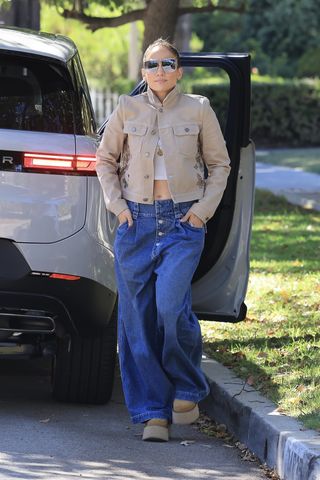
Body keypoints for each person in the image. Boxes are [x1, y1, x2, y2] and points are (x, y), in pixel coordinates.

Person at [96, 38, 231, 442]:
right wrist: (119, 208)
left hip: (181, 223)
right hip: (135, 222)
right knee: (136, 320)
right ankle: (154, 412)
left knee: (171, 307)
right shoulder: (127, 108)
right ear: (143, 72)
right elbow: (103, 159)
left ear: (179, 70)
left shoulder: (199, 108)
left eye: (167, 63)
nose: (159, 71)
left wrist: (199, 213)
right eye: (151, 64)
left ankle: (187, 387)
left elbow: (220, 164)